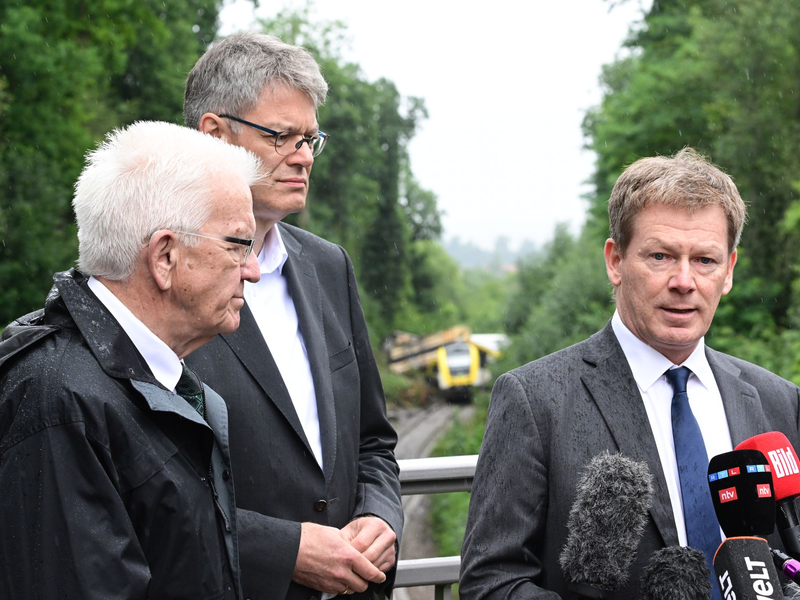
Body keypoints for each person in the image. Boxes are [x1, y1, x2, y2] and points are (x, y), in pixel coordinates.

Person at [459, 148, 800, 599]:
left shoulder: (780, 401)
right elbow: (491, 584)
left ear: (730, 270)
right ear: (615, 261)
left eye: (705, 260)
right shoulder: (534, 400)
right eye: (660, 256)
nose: (684, 281)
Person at [0, 121, 263, 600]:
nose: (254, 270)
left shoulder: (127, 380)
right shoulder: (61, 402)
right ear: (165, 256)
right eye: (237, 245)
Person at [183, 32, 403, 600]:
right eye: (280, 135)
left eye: (310, 138)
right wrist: (284, 553)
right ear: (214, 135)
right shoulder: (163, 279)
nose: (304, 156)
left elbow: (373, 443)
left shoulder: (329, 267)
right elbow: (149, 489)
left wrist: (382, 519)